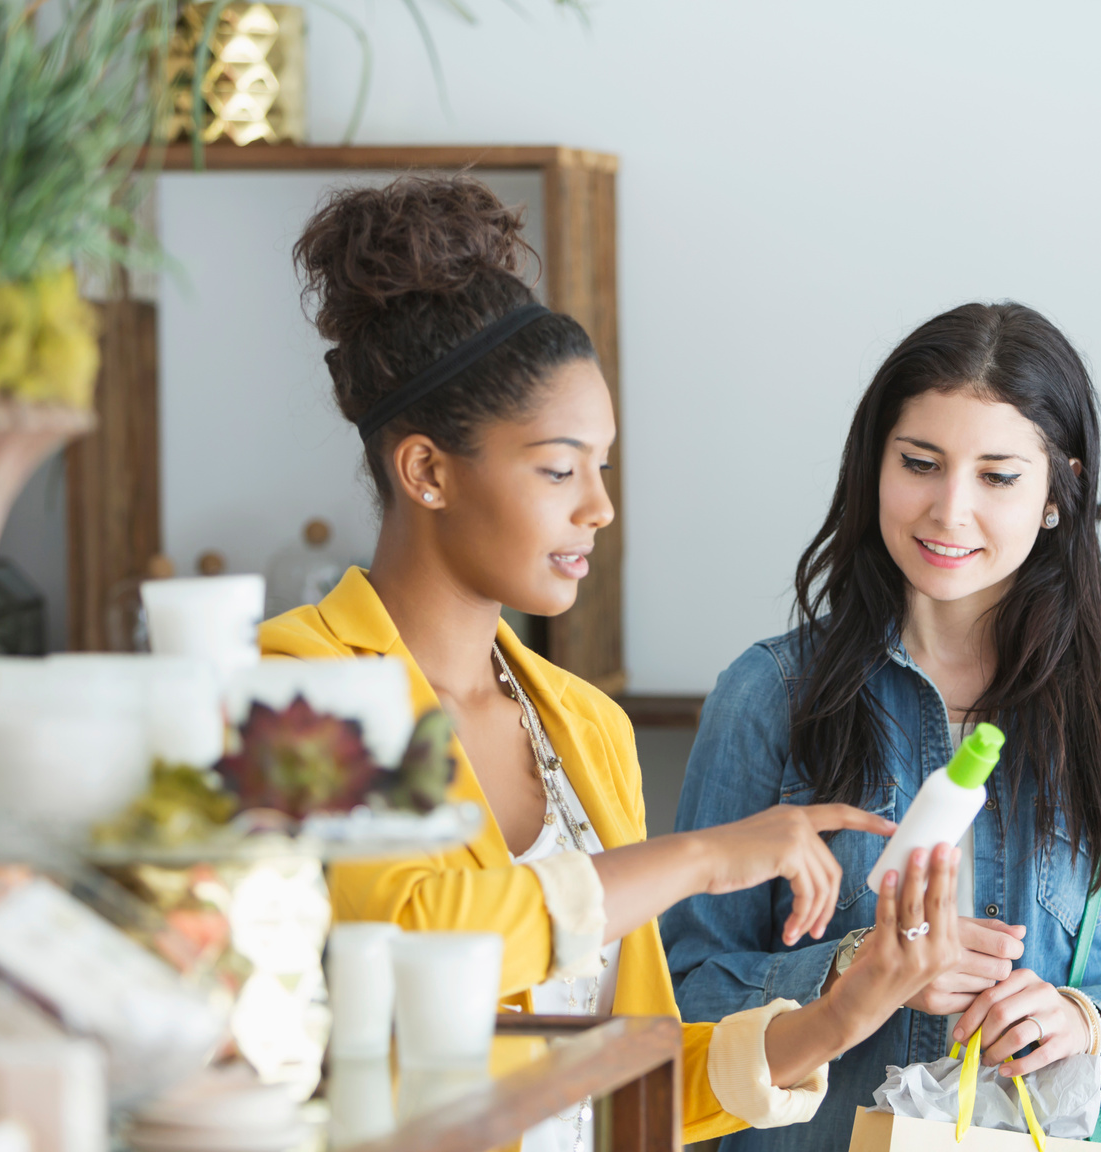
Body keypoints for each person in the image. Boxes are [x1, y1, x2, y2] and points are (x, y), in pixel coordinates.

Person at [260, 176, 970, 1150]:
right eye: (559, 468)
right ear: (426, 471)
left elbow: (625, 1081)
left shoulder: (583, 725)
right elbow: (411, 938)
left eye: (602, 464)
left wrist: (844, 1016)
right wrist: (700, 857)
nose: (598, 506)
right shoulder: (299, 681)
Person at [661, 303, 1101, 1151]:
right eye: (921, 464)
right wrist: (852, 971)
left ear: (1058, 492)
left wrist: (1086, 1018)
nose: (949, 510)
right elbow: (686, 987)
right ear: (875, 466)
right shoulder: (770, 694)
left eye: (998, 476)